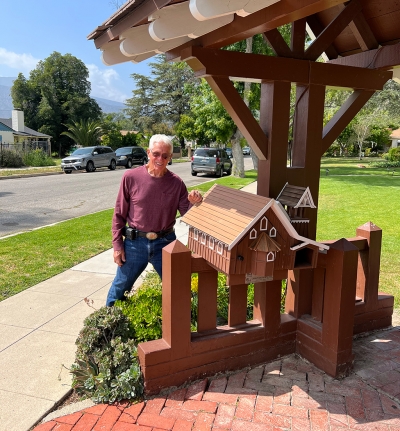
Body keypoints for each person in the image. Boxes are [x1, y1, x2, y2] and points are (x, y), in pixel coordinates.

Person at [106, 134, 203, 306]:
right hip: (134, 244)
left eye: (165, 156)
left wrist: (194, 203)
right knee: (120, 288)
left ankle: (187, 325)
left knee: (179, 287)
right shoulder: (131, 177)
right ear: (148, 152)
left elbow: (187, 215)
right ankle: (106, 328)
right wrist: (117, 245)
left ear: (170, 157)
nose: (160, 159)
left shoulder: (176, 183)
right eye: (156, 154)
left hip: (165, 243)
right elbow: (119, 214)